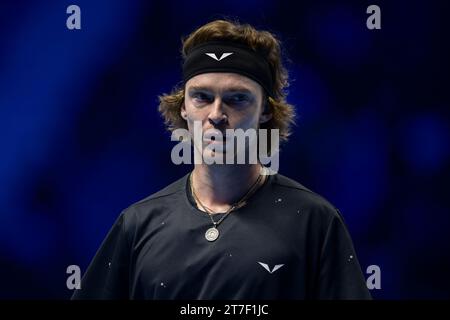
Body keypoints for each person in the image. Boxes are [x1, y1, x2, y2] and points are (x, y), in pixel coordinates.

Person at [71, 19, 371, 300]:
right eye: (201, 97)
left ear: (266, 111)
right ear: (184, 109)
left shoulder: (314, 221)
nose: (216, 115)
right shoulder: (136, 224)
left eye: (237, 98)